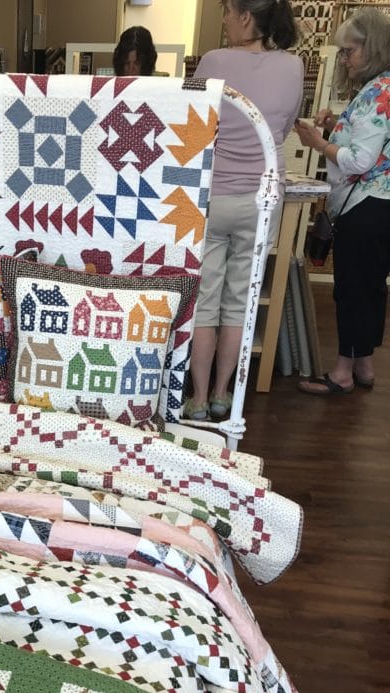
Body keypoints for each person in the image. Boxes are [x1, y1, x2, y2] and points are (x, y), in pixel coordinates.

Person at [185, 0, 303, 420]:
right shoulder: (293, 67)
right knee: (242, 302)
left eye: (227, 12)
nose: (224, 20)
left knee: (205, 303)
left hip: (213, 198)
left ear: (245, 16)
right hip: (262, 199)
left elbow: (193, 123)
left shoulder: (213, 61)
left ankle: (196, 399)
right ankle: (222, 395)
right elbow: (283, 129)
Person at [294, 9, 390, 395]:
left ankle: (342, 373)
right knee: (370, 287)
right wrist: (337, 127)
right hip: (380, 204)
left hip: (364, 206)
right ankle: (363, 365)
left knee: (352, 287)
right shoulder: (381, 88)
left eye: (349, 51)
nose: (345, 60)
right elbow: (367, 145)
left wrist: (320, 143)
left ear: (372, 48)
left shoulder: (377, 94)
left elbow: (358, 160)